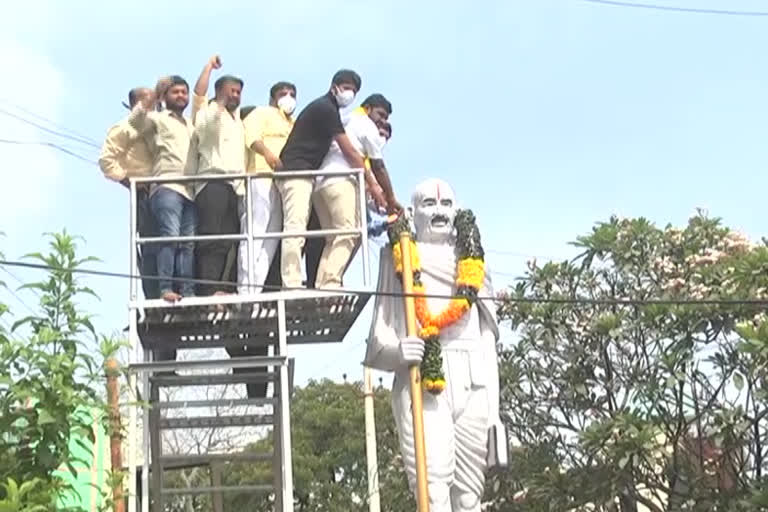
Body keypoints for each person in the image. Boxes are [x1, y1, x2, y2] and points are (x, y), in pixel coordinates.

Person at [365, 178, 507, 512]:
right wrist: (399, 350)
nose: (439, 211)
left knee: (470, 495)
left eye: (446, 204)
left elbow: (488, 340)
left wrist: (495, 411)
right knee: (433, 490)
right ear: (414, 213)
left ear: (457, 211)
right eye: (429, 204)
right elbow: (377, 339)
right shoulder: (397, 256)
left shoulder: (474, 264)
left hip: (474, 382)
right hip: (423, 379)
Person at [277, 69, 386, 289]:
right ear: (334, 86)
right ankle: (293, 282)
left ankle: (324, 283)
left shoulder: (333, 111)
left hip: (311, 176)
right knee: (296, 228)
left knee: (331, 235)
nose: (350, 94)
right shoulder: (326, 108)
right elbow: (350, 152)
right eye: (346, 88)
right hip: (296, 172)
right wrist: (373, 185)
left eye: (354, 91)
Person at [312, 94, 400, 289]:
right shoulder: (365, 125)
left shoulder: (347, 119)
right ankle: (330, 284)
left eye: (386, 119)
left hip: (321, 184)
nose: (382, 121)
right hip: (341, 180)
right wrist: (392, 200)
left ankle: (322, 285)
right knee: (349, 233)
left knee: (335, 238)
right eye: (381, 115)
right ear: (367, 108)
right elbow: (378, 167)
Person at [129, 76, 196, 306]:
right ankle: (165, 288)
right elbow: (135, 120)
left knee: (187, 243)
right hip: (167, 186)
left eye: (184, 92)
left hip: (190, 190)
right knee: (170, 237)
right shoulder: (157, 119)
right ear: (165, 98)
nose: (181, 96)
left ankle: (187, 290)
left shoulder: (190, 124)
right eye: (175, 92)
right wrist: (153, 96)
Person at [190, 55, 245, 296]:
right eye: (231, 91)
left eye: (239, 92)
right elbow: (199, 98)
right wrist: (209, 68)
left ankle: (222, 288)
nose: (236, 95)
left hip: (234, 187)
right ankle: (209, 289)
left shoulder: (237, 119)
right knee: (212, 239)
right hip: (212, 183)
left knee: (229, 241)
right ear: (220, 92)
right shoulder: (209, 112)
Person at [236, 81, 296, 294]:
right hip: (259, 176)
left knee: (271, 239)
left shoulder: (293, 123)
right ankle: (245, 288)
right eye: (283, 93)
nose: (288, 97)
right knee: (254, 233)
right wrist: (269, 155)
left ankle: (256, 289)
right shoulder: (261, 113)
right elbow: (251, 137)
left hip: (282, 184)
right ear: (273, 98)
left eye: (292, 94)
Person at [99, 87, 158, 300]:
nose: (155, 101)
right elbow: (106, 161)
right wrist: (129, 181)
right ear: (137, 103)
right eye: (149, 98)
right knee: (151, 246)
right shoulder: (125, 127)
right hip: (145, 193)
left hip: (170, 190)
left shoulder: (159, 123)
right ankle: (153, 296)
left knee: (175, 245)